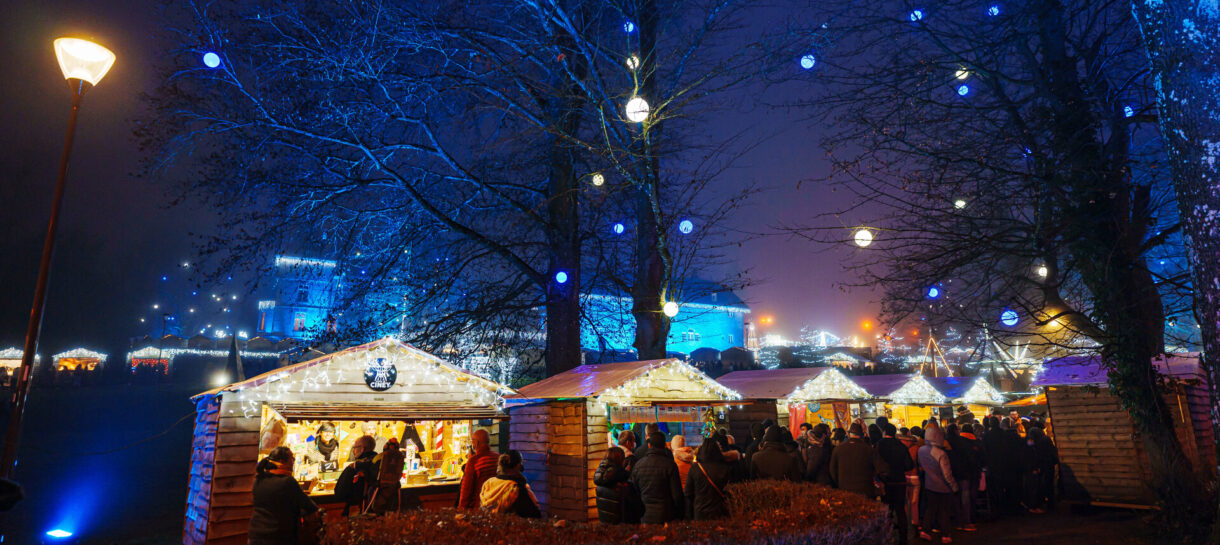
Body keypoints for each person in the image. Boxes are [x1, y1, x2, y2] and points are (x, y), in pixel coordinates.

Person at [249, 447, 320, 545]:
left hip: (256, 535)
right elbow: (310, 507)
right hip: (280, 537)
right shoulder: (287, 482)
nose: (293, 462)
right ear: (283, 461)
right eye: (292, 459)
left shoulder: (258, 479)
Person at [629, 432, 685, 523]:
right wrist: (679, 515)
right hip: (666, 515)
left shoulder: (638, 465)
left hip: (645, 515)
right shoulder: (670, 465)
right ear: (664, 446)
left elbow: (634, 493)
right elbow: (677, 495)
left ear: (649, 445)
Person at [918, 427, 958, 544]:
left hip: (929, 484)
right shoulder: (941, 453)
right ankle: (945, 534)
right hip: (942, 487)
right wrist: (954, 487)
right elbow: (947, 474)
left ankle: (925, 531)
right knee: (943, 511)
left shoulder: (921, 450)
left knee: (930, 509)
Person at [876, 423, 914, 545]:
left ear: (884, 432)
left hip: (886, 482)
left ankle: (887, 536)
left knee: (887, 510)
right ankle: (903, 537)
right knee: (900, 510)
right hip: (900, 481)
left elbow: (875, 464)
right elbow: (909, 465)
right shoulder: (901, 446)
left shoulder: (879, 445)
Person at [479, 450, 542, 518]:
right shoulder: (515, 489)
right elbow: (533, 514)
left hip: (490, 525)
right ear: (518, 466)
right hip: (509, 526)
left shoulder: (489, 483)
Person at [946, 423, 982, 531]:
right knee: (966, 498)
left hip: (952, 473)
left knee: (956, 498)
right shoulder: (964, 442)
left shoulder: (947, 442)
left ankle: (958, 521)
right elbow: (971, 459)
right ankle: (967, 522)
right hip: (965, 474)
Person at [685, 439, 732, 520]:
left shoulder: (695, 469)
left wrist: (689, 515)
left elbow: (688, 493)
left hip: (700, 512)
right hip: (720, 512)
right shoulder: (725, 468)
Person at [829, 423, 878, 497]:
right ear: (862, 435)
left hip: (844, 489)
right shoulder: (869, 449)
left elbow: (832, 470)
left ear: (848, 434)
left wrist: (839, 482)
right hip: (865, 490)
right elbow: (878, 468)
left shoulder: (838, 449)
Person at [334, 436, 377, 515]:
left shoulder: (354, 467)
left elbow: (339, 493)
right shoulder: (379, 463)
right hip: (377, 511)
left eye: (355, 448)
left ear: (362, 448)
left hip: (358, 511)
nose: (353, 451)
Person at [459, 429, 499, 509]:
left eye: (472, 441)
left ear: (476, 443)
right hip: (496, 506)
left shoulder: (474, 461)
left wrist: (461, 510)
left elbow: (466, 491)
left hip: (479, 506)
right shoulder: (498, 457)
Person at [1024, 427, 1058, 513]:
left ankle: (1040, 503)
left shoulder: (1035, 441)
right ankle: (1051, 505)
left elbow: (1033, 454)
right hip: (1049, 465)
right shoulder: (1046, 439)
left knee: (1039, 485)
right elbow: (1054, 452)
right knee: (1049, 485)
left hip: (1041, 466)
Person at [594, 447, 632, 523]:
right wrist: (626, 473)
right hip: (620, 529)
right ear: (621, 461)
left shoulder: (601, 481)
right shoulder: (622, 484)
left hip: (604, 526)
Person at [370, 438, 406, 513]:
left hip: (379, 489)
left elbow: (372, 472)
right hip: (394, 489)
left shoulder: (379, 457)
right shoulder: (401, 457)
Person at [899, 427, 923, 530]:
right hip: (914, 476)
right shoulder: (916, 448)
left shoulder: (899, 447)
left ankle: (904, 522)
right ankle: (915, 522)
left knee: (904, 501)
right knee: (914, 502)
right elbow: (920, 464)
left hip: (903, 476)